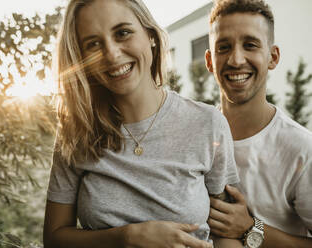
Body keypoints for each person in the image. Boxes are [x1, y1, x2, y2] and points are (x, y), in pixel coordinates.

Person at [43, 0, 240, 247]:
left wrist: (255, 229)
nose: (112, 54)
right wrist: (126, 237)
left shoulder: (207, 123)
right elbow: (54, 238)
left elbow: (228, 235)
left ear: (151, 36)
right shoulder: (76, 132)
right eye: (93, 44)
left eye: (122, 33)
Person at [204, 0, 312, 247]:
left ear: (272, 57)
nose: (236, 59)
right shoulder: (196, 136)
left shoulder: (302, 149)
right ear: (210, 61)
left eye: (250, 45)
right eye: (223, 47)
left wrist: (251, 229)